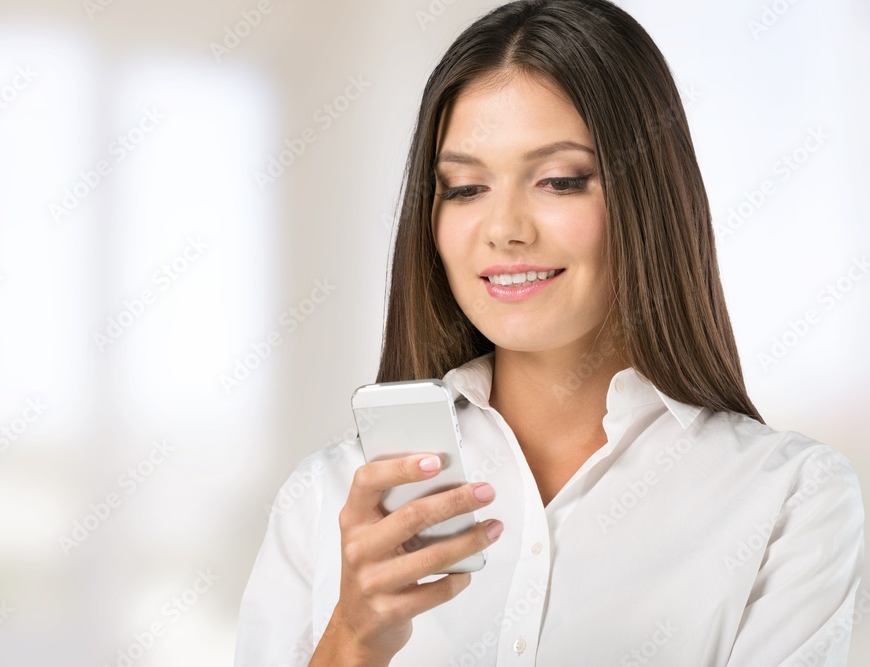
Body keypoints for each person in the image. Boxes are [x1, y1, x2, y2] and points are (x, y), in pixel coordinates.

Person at [234, 1, 865, 665]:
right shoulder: (326, 498)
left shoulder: (790, 498)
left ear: (647, 197)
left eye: (560, 180)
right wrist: (353, 639)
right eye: (465, 187)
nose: (504, 228)